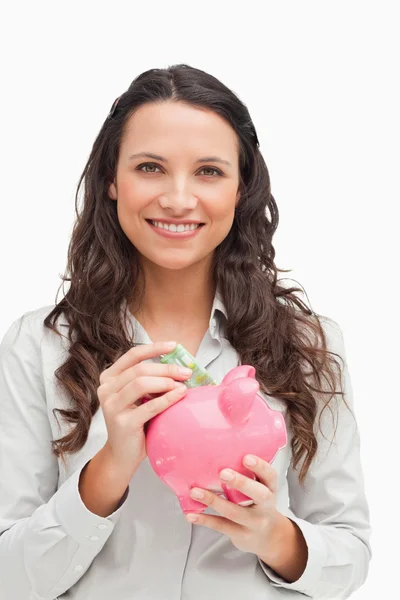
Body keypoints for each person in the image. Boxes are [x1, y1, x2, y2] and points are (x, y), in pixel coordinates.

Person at [0, 64, 371, 600]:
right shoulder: (38, 346)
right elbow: (9, 579)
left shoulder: (309, 345)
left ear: (242, 187)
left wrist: (275, 536)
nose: (177, 198)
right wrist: (109, 470)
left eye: (209, 171)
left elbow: (351, 554)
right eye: (150, 167)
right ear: (112, 179)